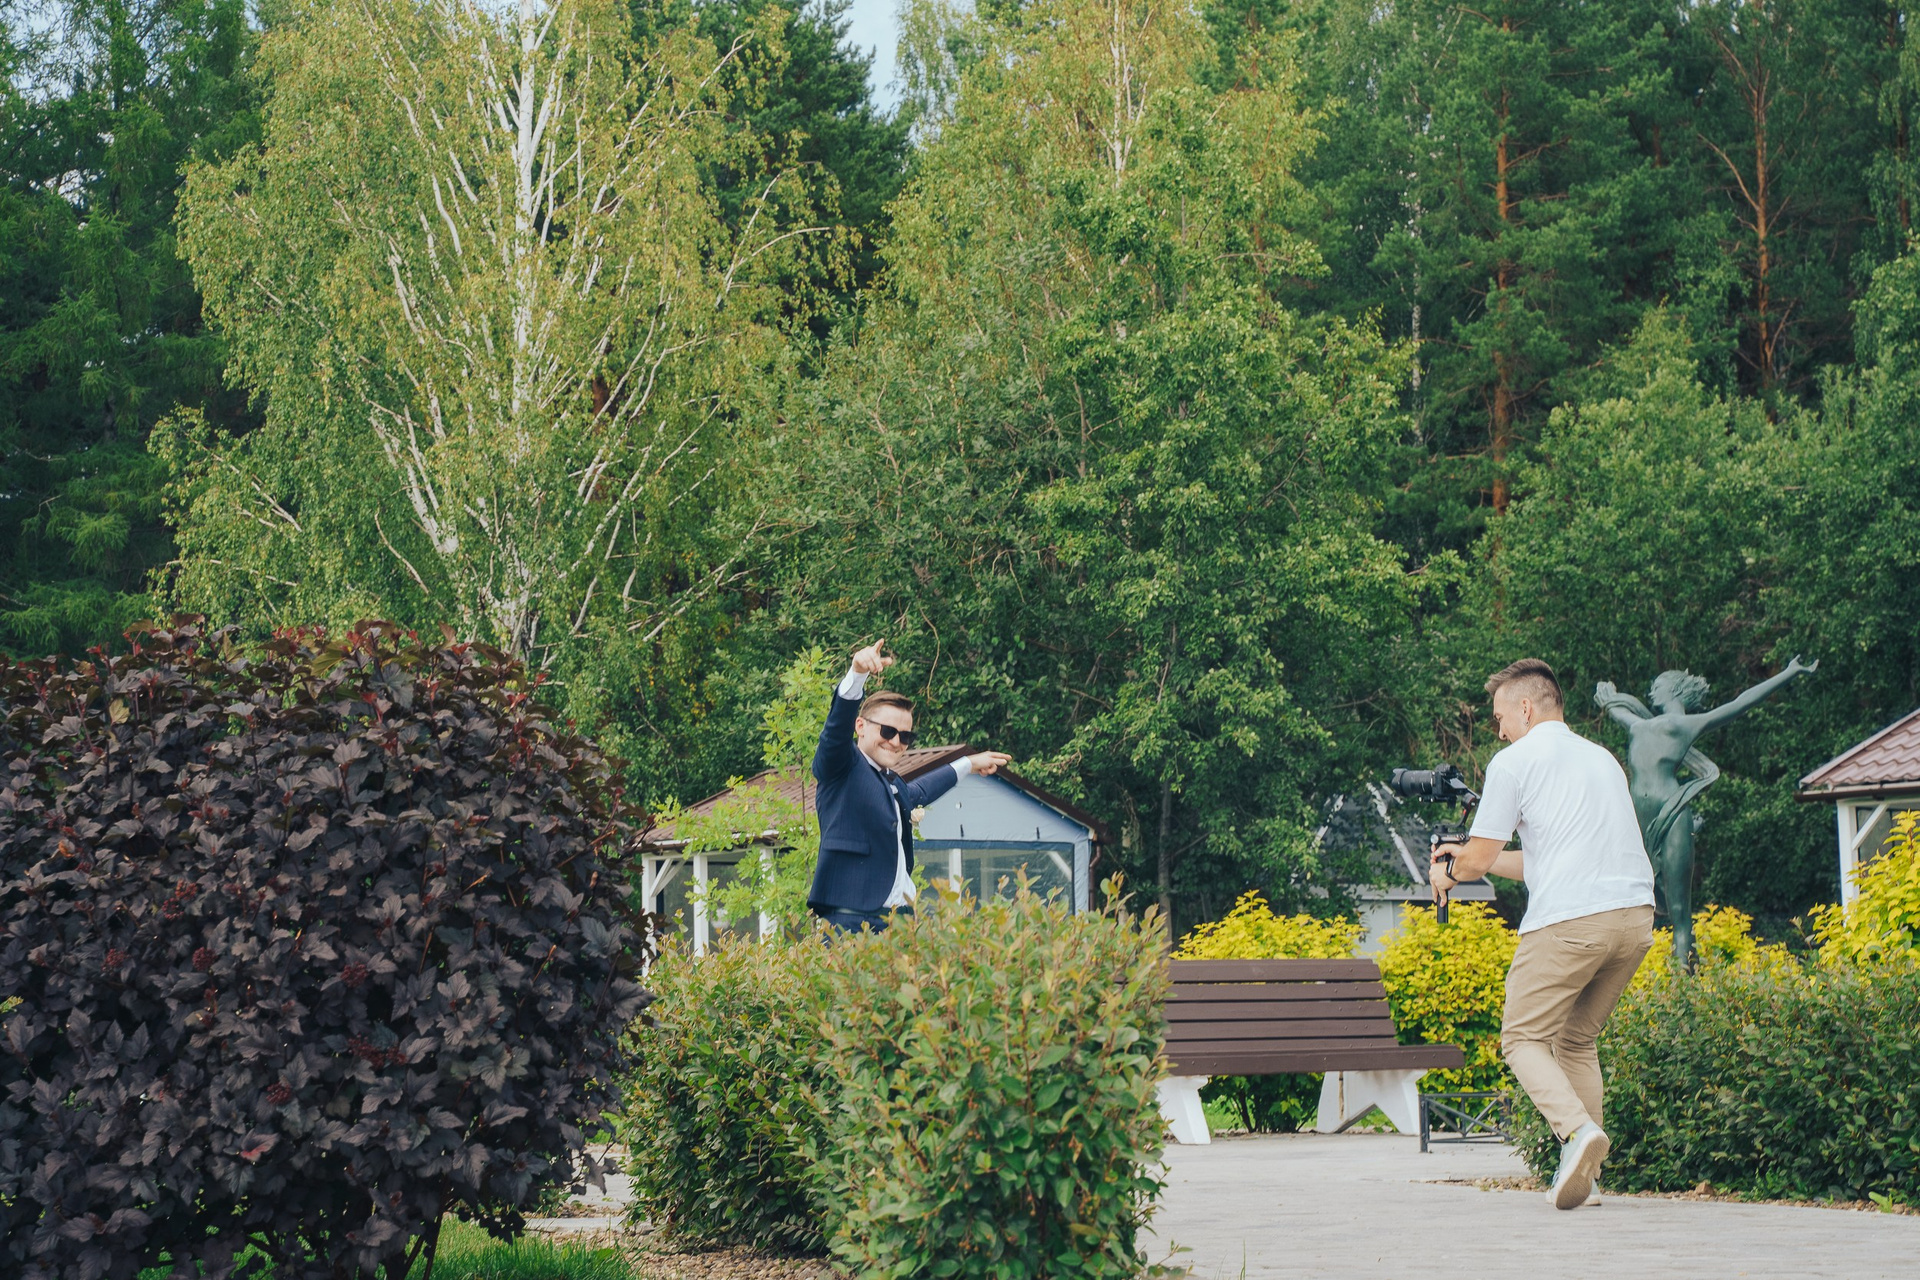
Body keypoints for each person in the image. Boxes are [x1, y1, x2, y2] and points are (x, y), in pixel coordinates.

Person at [1430, 658, 1655, 1211]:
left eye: (1500, 717)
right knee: (1576, 1039)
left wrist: (1451, 871)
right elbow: (1538, 861)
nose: (1499, 730)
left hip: (1570, 922)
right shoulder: (1601, 759)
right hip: (1634, 920)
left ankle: (1577, 1132)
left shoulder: (1514, 761)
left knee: (1522, 1039)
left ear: (1526, 709)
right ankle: (1587, 1176)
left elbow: (1478, 860)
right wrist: (1468, 857)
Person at [808, 639, 1011, 933]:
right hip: (853, 921)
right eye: (888, 731)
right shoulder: (841, 765)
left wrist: (968, 763)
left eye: (906, 737)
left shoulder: (890, 782)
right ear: (860, 726)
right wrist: (857, 674)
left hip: (901, 921)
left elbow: (919, 791)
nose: (896, 742)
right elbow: (835, 731)